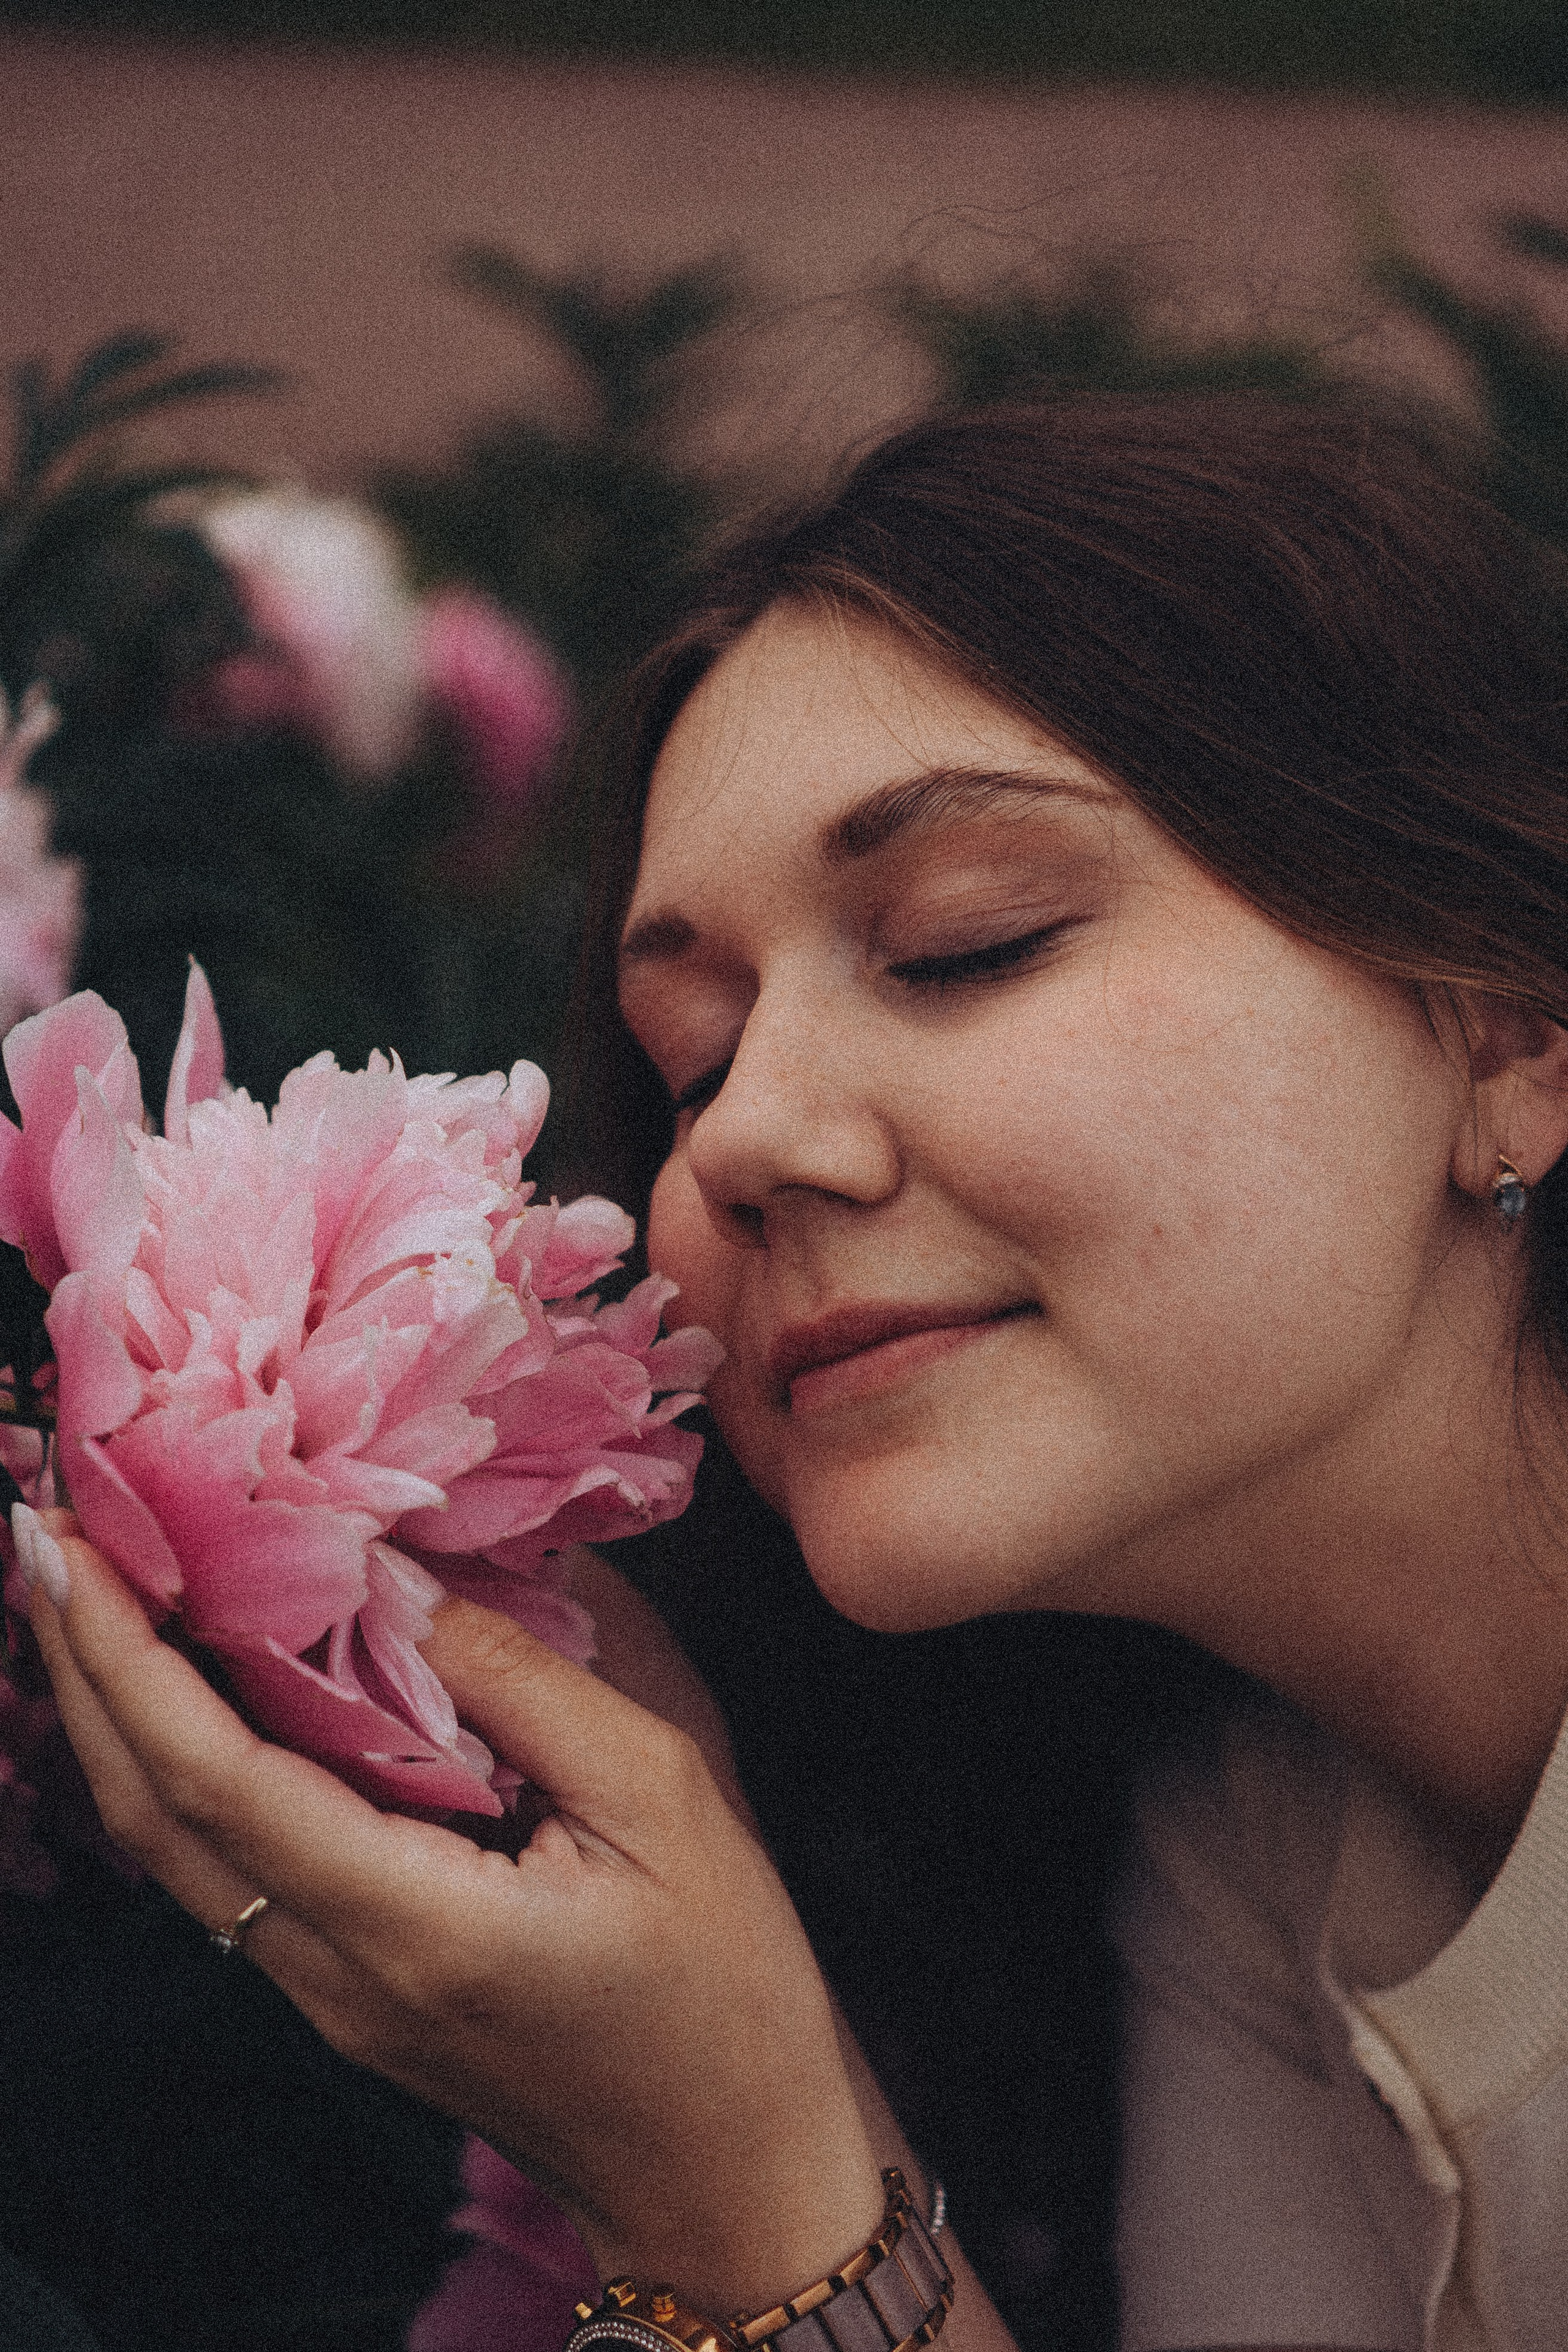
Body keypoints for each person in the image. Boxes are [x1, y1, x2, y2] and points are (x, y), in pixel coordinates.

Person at [17, 393, 1568, 2352]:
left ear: (1512, 1028)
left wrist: (742, 2190)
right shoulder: (1260, 1845)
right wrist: (748, 2067)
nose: (737, 1144)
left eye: (961, 945)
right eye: (692, 1059)